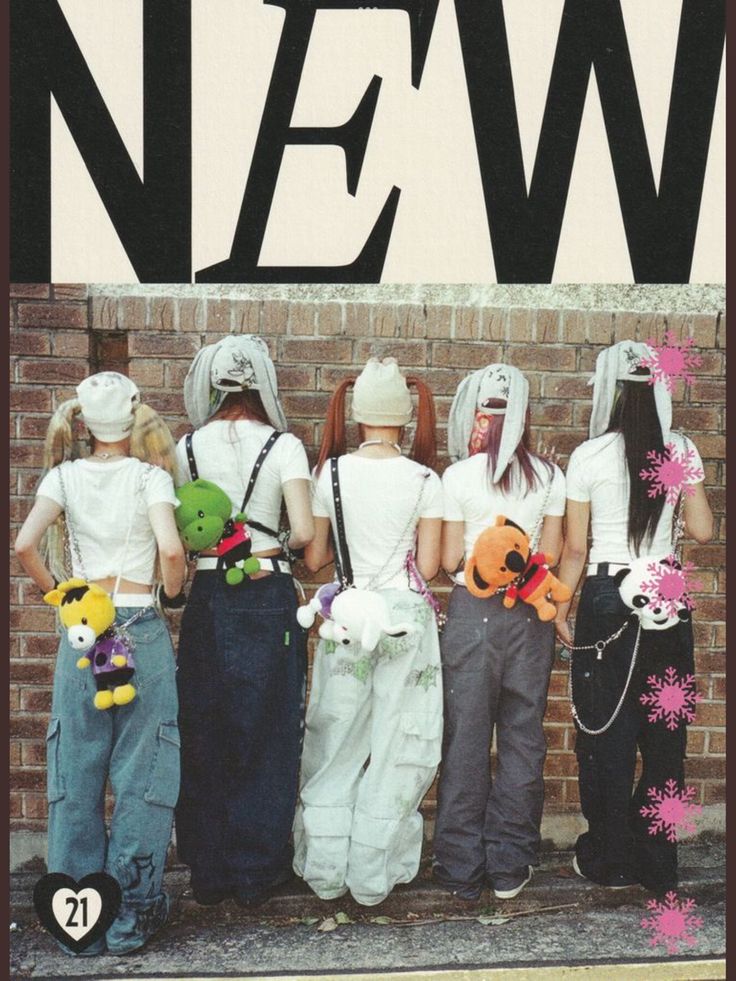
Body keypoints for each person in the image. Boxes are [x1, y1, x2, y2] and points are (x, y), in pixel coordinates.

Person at [14, 371, 186, 955]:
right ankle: (130, 916)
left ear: (83, 424)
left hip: (84, 635)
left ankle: (77, 924)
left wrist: (63, 595)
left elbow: (23, 546)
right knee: (145, 773)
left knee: (76, 772)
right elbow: (169, 549)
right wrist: (172, 591)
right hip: (141, 624)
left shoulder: (62, 476)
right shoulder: (152, 478)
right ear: (134, 420)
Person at [554, 340, 713, 892]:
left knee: (606, 733)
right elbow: (703, 529)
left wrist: (559, 607)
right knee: (666, 739)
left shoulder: (588, 457)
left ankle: (611, 858)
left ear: (611, 393)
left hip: (605, 597)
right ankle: (659, 866)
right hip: (667, 596)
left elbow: (574, 549)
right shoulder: (682, 450)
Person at [293, 357, 444, 906]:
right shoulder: (426, 479)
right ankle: (373, 874)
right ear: (404, 418)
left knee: (335, 739)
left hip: (347, 619)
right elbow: (427, 568)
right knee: (401, 740)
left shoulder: (328, 472)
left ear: (357, 415)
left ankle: (326, 869)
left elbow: (316, 558)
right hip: (405, 619)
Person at [174, 334, 314, 907]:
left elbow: (184, 528)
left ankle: (208, 870)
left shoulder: (184, 448)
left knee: (204, 727)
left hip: (208, 590)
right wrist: (268, 542)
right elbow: (304, 534)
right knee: (269, 728)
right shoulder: (285, 446)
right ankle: (257, 871)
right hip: (266, 587)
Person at [432, 363, 566, 902]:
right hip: (530, 614)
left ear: (477, 416)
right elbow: (551, 554)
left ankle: (460, 868)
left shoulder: (457, 477)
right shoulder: (550, 477)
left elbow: (445, 561)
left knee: (464, 736)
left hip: (471, 612)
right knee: (522, 735)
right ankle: (510, 865)